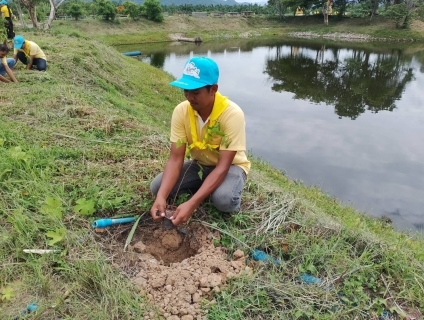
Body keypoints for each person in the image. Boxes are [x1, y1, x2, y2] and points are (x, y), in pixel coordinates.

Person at [150, 57, 251, 226]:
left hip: (230, 166)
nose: (189, 97)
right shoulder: (181, 111)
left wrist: (193, 203)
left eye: (195, 92)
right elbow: (176, 158)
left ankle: (213, 191)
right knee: (157, 188)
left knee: (224, 200)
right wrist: (161, 197)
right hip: (200, 164)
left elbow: (223, 166)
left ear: (213, 89)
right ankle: (204, 187)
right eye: (186, 91)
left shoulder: (232, 114)